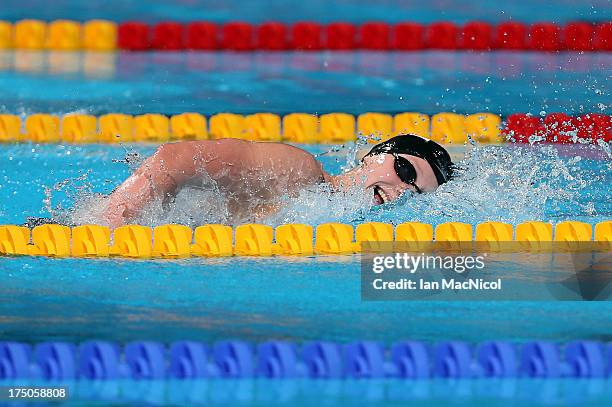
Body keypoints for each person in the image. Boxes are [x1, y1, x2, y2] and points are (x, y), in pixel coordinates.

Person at [102, 134, 454, 228]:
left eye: (414, 194)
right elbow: (173, 159)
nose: (400, 192)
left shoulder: (329, 222)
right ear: (375, 155)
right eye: (406, 172)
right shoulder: (297, 171)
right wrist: (110, 226)